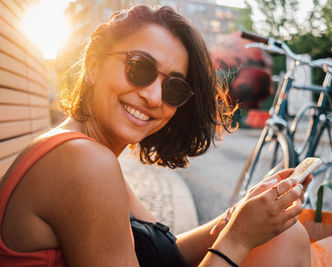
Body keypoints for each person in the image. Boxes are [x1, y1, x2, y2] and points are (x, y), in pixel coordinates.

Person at [0, 5, 311, 267]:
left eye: (174, 87)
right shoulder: (82, 162)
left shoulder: (89, 154)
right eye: (139, 67)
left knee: (284, 233)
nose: (152, 96)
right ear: (93, 65)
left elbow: (166, 254)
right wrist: (238, 238)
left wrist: (236, 218)